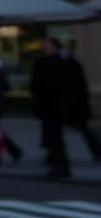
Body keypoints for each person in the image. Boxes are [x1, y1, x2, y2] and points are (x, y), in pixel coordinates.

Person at [32, 38, 77, 177]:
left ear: (55, 47)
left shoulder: (60, 63)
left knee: (56, 138)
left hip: (56, 107)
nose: (45, 47)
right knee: (52, 138)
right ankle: (58, 165)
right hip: (47, 107)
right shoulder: (41, 62)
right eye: (44, 45)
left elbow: (66, 85)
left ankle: (61, 166)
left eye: (48, 45)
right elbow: (36, 85)